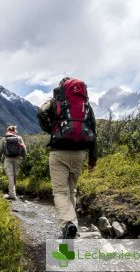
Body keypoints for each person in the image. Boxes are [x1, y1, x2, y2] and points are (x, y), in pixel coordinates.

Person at [37, 77, 98, 239]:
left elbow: (41, 112)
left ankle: (68, 224)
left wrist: (52, 130)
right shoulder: (85, 104)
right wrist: (93, 159)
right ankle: (74, 226)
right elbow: (93, 129)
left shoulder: (56, 100)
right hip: (80, 153)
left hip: (59, 152)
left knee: (59, 192)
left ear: (61, 87)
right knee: (72, 190)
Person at [0, 125, 27, 200]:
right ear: (15, 131)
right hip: (17, 159)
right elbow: (24, 149)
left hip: (7, 159)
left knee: (10, 176)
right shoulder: (19, 138)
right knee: (15, 175)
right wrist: (24, 158)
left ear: (8, 130)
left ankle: (12, 194)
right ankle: (13, 193)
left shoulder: (4, 138)